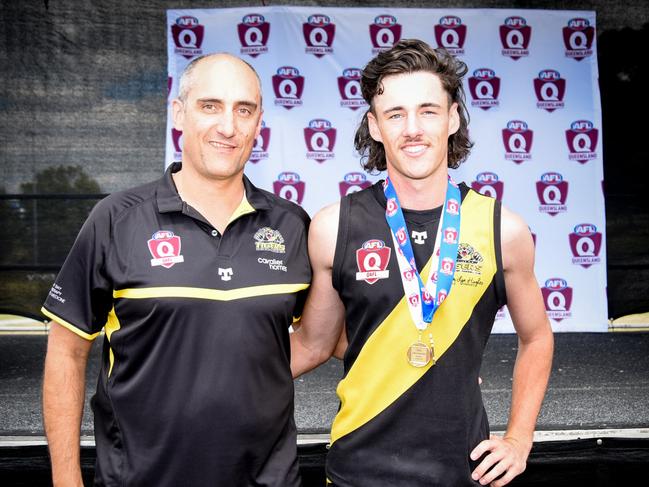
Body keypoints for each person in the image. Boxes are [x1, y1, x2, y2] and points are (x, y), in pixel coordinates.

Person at [290, 39, 554, 487]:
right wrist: (209, 383)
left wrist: (519, 438)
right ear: (374, 126)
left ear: (452, 118)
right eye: (395, 114)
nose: (413, 128)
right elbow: (317, 343)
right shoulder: (333, 227)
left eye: (428, 110)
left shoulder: (502, 230)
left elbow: (537, 336)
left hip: (463, 470)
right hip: (358, 470)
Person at [42, 53, 310, 486]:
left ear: (259, 122)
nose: (228, 126)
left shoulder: (292, 224)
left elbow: (325, 338)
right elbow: (66, 353)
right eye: (210, 106)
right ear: (179, 112)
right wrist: (66, 479)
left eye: (244, 109)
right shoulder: (115, 219)